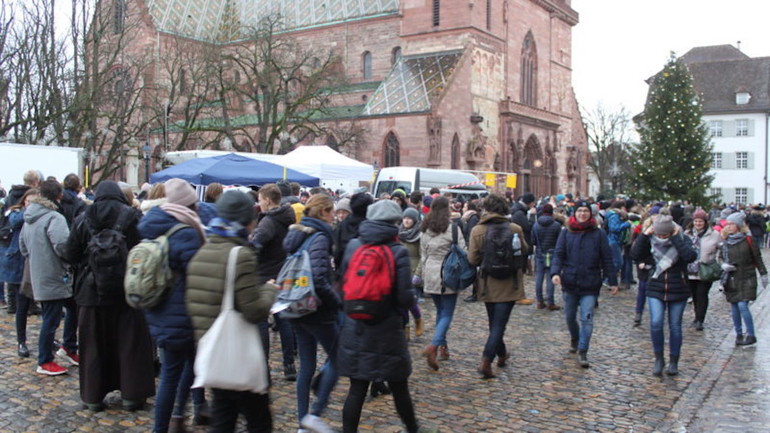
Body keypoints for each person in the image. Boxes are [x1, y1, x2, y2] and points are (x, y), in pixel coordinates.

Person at [186, 190, 276, 432]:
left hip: (214, 351)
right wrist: (269, 291)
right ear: (246, 220)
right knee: (259, 422)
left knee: (224, 417)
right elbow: (254, 311)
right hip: (237, 353)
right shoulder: (240, 255)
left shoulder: (201, 252)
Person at [64, 180, 155, 411]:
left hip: (90, 291)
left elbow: (70, 253)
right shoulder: (132, 215)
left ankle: (93, 397)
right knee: (130, 343)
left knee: (93, 344)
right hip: (127, 290)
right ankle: (131, 396)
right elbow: (144, 248)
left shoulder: (83, 217)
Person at [338, 200, 422, 433]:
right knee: (399, 388)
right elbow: (405, 298)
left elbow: (343, 284)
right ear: (394, 223)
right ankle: (413, 428)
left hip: (356, 327)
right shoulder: (398, 251)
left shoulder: (354, 246)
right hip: (388, 331)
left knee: (356, 389)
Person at [139, 178, 210, 431]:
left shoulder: (153, 223)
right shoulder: (186, 231)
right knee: (173, 373)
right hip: (182, 314)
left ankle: (178, 417)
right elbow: (198, 274)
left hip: (158, 308)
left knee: (182, 366)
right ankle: (170, 421)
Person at [283, 194, 341, 433]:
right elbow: (317, 277)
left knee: (306, 365)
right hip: (315, 309)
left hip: (296, 306)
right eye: (332, 212)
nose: (335, 216)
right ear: (323, 212)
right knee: (339, 357)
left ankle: (302, 423)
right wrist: (336, 302)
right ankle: (314, 414)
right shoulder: (319, 237)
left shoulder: (297, 234)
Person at [19, 180, 78, 376]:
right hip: (55, 275)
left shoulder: (29, 217)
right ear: (58, 196)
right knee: (51, 319)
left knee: (70, 308)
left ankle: (69, 347)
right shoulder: (54, 217)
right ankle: (45, 360)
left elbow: (23, 248)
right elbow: (62, 247)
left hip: (41, 273)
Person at [467, 194, 529, 378]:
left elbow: (472, 259)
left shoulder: (478, 230)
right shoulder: (515, 228)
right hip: (510, 283)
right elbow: (525, 250)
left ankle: (501, 355)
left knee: (495, 323)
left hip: (488, 282)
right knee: (499, 325)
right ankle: (487, 361)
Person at [551, 200, 618, 368]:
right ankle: (575, 337)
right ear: (575, 213)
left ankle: (583, 350)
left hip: (590, 282)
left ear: (590, 213)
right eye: (579, 211)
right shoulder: (566, 232)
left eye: (585, 211)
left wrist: (612, 281)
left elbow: (607, 258)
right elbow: (559, 254)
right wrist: (555, 272)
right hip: (570, 281)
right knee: (569, 317)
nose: (582, 214)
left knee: (587, 318)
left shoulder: (598, 234)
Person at [631, 215, 697, 376]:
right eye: (659, 234)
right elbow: (635, 254)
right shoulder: (650, 240)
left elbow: (690, 256)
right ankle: (659, 358)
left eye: (664, 235)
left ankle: (674, 361)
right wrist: (644, 235)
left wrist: (676, 239)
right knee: (656, 322)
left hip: (678, 286)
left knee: (675, 326)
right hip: (656, 285)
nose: (661, 238)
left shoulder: (682, 239)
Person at [252, 183, 298, 381]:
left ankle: (263, 368)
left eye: (260, 199)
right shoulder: (287, 216)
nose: (259, 203)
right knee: (284, 319)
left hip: (265, 275)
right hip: (283, 272)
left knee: (262, 321)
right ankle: (289, 364)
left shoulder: (269, 222)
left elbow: (256, 245)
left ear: (268, 200)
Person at [419, 196, 466, 371]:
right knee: (447, 313)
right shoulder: (452, 228)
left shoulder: (424, 227)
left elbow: (423, 253)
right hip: (448, 273)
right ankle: (434, 346)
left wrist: (425, 273)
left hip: (430, 272)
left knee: (440, 311)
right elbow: (463, 251)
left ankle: (443, 348)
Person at [719, 212, 768, 346]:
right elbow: (720, 257)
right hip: (732, 278)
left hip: (747, 277)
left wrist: (763, 274)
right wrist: (723, 265)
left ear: (739, 226)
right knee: (734, 306)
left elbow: (757, 258)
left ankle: (751, 334)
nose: (728, 227)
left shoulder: (748, 240)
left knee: (742, 305)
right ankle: (739, 334)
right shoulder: (725, 241)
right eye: (727, 224)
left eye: (732, 224)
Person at [1, 188, 38, 357]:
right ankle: (21, 341)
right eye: (28, 202)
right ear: (24, 201)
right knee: (21, 305)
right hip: (18, 263)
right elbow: (15, 221)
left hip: (36, 263)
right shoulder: (16, 213)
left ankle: (48, 340)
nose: (30, 205)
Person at [2, 169, 41, 313]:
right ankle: (15, 305)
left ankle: (24, 305)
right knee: (15, 276)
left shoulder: (11, 194)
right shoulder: (19, 208)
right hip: (15, 241)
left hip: (15, 241)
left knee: (18, 275)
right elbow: (13, 219)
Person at [684, 208, 721, 330]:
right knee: (694, 294)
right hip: (690, 269)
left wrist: (716, 262)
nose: (698, 224)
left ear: (705, 222)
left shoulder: (714, 235)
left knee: (702, 294)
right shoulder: (687, 234)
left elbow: (721, 250)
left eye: (700, 221)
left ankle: (700, 319)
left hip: (705, 269)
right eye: (696, 221)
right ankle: (696, 316)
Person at [532, 203, 562, 310]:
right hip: (552, 253)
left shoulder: (536, 225)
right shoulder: (556, 225)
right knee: (550, 277)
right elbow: (560, 242)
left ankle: (540, 301)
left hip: (540, 253)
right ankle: (550, 302)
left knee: (539, 277)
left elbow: (533, 241)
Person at [399, 207, 424, 338]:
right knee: (402, 302)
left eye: (409, 218)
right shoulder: (399, 233)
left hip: (412, 271)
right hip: (400, 271)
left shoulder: (419, 235)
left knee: (410, 302)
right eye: (405, 218)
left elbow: (422, 256)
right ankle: (405, 330)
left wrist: (418, 274)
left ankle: (418, 318)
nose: (406, 221)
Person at [509, 192, 535, 304]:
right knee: (519, 271)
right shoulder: (519, 213)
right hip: (519, 244)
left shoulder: (518, 210)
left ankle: (518, 294)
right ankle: (518, 295)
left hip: (519, 244)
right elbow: (527, 227)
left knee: (519, 270)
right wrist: (533, 216)